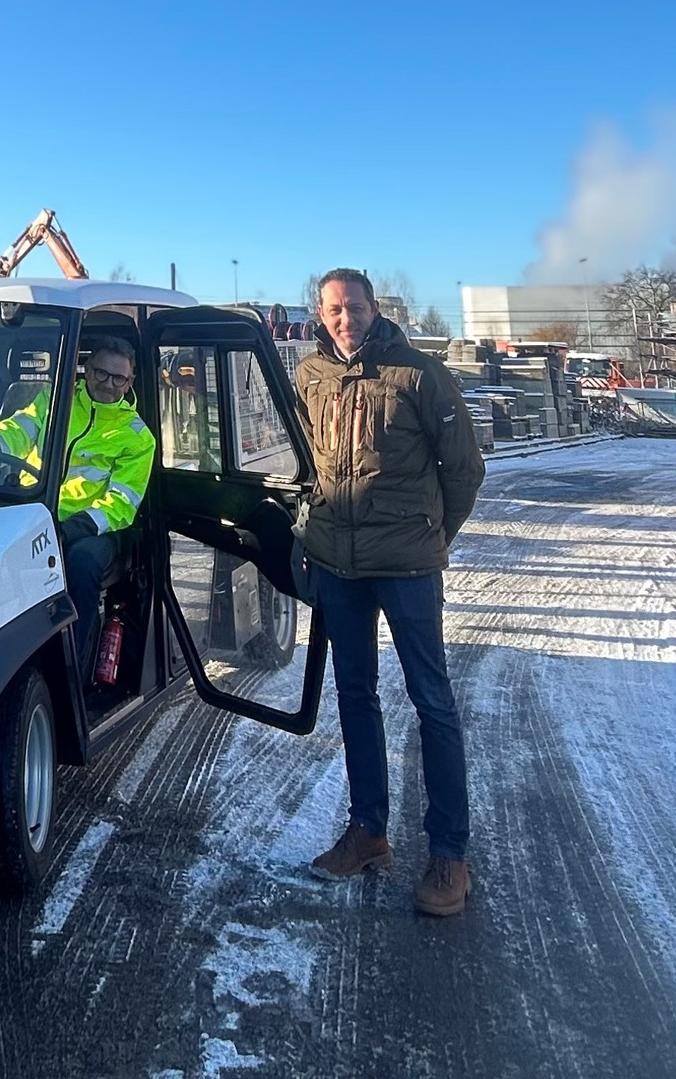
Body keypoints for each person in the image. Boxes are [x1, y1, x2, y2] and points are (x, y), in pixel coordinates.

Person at [295, 268, 485, 916]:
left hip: (406, 567)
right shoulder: (310, 378)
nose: (344, 317)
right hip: (340, 569)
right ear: (320, 314)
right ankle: (368, 831)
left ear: (374, 307)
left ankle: (449, 855)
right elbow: (311, 462)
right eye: (332, 308)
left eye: (353, 305)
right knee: (354, 696)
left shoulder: (420, 375)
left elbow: (464, 469)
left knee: (432, 701)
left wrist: (431, 536)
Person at [0, 334, 154, 685]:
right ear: (86, 369)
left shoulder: (137, 436)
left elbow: (121, 504)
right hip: (36, 511)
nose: (108, 384)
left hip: (94, 530)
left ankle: (76, 671)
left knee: (81, 562)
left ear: (130, 382)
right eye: (101, 373)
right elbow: (19, 429)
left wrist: (72, 528)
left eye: (118, 378)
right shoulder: (56, 401)